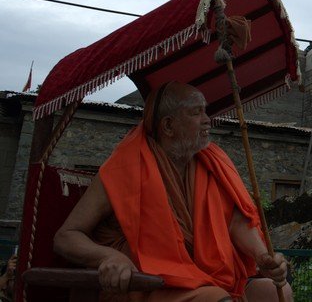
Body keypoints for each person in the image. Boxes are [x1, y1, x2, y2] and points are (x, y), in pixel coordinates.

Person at [54, 82, 292, 301]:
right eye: (196, 112)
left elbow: (234, 222)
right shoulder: (125, 168)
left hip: (207, 277)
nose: (207, 120)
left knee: (274, 293)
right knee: (214, 299)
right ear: (168, 125)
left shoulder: (211, 164)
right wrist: (108, 257)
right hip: (150, 283)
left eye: (205, 111)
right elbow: (66, 236)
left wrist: (262, 257)